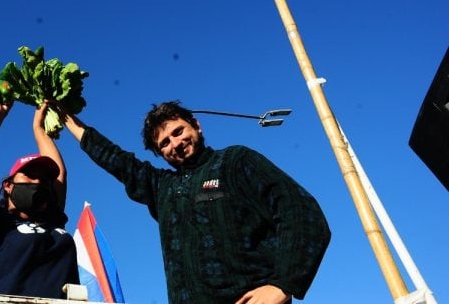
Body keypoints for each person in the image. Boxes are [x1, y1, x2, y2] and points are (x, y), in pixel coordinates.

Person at [60, 100, 331, 304]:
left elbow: (299, 211)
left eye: (178, 132)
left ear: (197, 126)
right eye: (164, 143)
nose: (175, 143)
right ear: (159, 153)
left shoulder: (236, 161)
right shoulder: (162, 188)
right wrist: (66, 118)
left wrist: (283, 285)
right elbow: (116, 159)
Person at [0, 83, 79, 298]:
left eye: (43, 178)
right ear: (8, 185)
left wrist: (39, 130)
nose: (38, 182)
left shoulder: (52, 217)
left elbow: (59, 174)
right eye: (30, 175)